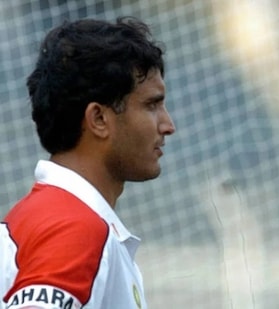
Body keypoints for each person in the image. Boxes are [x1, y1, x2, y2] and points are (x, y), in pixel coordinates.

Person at [1, 16, 175, 309]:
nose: (168, 124)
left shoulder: (38, 218)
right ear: (98, 119)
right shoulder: (74, 228)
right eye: (151, 105)